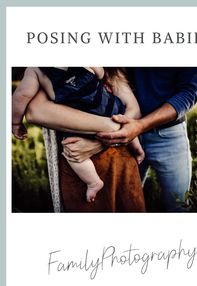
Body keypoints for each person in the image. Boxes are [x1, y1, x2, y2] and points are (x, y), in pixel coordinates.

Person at [12, 67, 144, 203]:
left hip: (81, 127)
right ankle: (137, 148)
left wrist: (15, 123)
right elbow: (100, 73)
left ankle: (93, 182)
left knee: (73, 154)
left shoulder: (35, 70)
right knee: (122, 124)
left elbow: (21, 95)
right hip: (109, 110)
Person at [97, 67, 197, 212]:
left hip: (169, 137)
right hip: (123, 131)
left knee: (178, 207)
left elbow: (188, 93)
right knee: (125, 206)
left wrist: (140, 125)